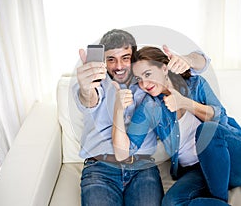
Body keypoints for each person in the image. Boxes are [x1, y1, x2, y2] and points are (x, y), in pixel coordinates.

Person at [73, 29, 210, 206]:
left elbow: (203, 62)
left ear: (134, 58)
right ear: (103, 62)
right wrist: (86, 89)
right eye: (111, 59)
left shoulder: (148, 83)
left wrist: (186, 60)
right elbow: (89, 99)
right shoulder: (95, 84)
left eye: (125, 57)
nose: (119, 66)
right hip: (100, 168)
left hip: (142, 168)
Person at [112, 46, 241, 206]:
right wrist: (118, 110)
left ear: (164, 68)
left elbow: (221, 119)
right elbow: (124, 152)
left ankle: (219, 200)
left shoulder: (196, 84)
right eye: (139, 79)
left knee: (206, 130)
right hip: (199, 171)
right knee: (171, 202)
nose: (144, 83)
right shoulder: (149, 107)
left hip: (236, 159)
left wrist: (185, 103)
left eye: (148, 74)